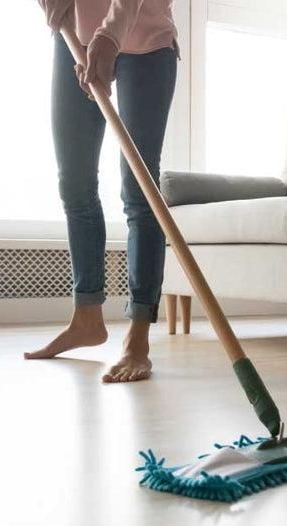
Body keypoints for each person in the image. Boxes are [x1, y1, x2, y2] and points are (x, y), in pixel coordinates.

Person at [24, 0, 177, 383]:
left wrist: (109, 34)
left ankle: (138, 338)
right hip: (76, 36)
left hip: (146, 42)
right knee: (74, 182)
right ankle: (87, 318)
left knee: (139, 187)